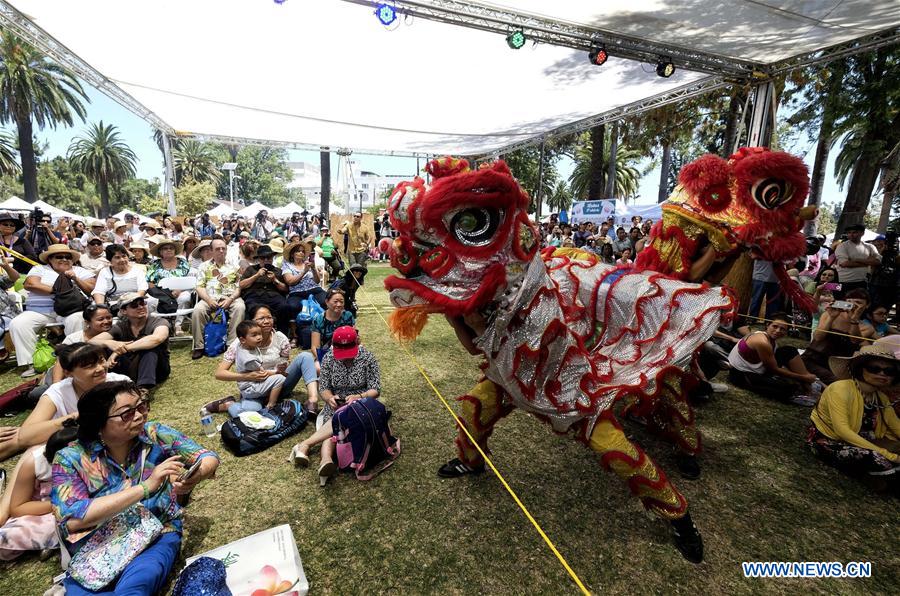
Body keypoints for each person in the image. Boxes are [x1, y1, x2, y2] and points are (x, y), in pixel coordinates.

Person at [52, 380, 219, 595]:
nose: (139, 416)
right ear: (98, 422)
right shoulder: (70, 459)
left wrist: (194, 477)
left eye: (141, 407)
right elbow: (72, 519)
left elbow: (207, 457)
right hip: (96, 547)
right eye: (127, 413)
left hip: (156, 535)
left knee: (135, 587)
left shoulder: (154, 434)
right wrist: (146, 487)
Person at [289, 326, 380, 485]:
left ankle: (306, 446)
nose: (345, 358)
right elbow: (323, 388)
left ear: (357, 342)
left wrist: (359, 396)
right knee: (337, 419)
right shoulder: (329, 358)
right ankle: (325, 461)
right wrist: (330, 398)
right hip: (337, 404)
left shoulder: (368, 358)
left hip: (362, 404)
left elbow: (375, 389)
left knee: (338, 420)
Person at [807, 345, 900, 485]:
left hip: (869, 443)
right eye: (874, 368)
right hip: (832, 443)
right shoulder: (840, 389)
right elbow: (843, 431)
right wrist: (887, 454)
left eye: (889, 371)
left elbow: (896, 426)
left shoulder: (881, 397)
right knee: (875, 458)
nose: (882, 374)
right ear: (860, 368)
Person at [9, 244, 96, 377]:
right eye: (59, 256)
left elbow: (91, 289)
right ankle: (33, 363)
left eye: (68, 257)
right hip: (39, 311)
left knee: (77, 319)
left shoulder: (80, 271)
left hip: (70, 310)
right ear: (50, 259)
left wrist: (75, 279)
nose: (64, 259)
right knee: (18, 323)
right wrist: (60, 289)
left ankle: (76, 359)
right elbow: (30, 284)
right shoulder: (39, 269)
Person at [212, 305, 320, 412]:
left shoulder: (280, 338)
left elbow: (285, 362)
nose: (267, 321)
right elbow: (220, 373)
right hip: (256, 389)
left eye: (269, 317)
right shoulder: (240, 343)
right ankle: (228, 404)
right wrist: (246, 376)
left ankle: (312, 401)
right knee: (251, 411)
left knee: (305, 356)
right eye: (261, 318)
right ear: (252, 322)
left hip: (278, 384)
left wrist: (282, 367)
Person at [0, 425, 78, 560]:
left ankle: (56, 542)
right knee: (10, 534)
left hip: (80, 508)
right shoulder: (35, 463)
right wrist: (60, 504)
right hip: (44, 511)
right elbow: (18, 508)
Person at [727, 313, 818, 404]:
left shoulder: (771, 341)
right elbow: (774, 369)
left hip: (757, 370)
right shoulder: (762, 342)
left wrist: (804, 377)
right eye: (775, 326)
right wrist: (803, 377)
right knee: (786, 389)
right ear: (767, 325)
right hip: (741, 374)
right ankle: (806, 384)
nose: (778, 330)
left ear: (786, 332)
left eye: (782, 329)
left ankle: (808, 387)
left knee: (789, 351)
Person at [91, 293, 171, 390]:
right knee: (107, 346)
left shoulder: (159, 322)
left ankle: (143, 389)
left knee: (150, 348)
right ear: (124, 311)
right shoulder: (121, 326)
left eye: (142, 303)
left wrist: (119, 350)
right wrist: (109, 343)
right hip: (132, 368)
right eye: (134, 305)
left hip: (157, 369)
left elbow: (157, 339)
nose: (141, 307)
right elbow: (92, 341)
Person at [210, 320, 286, 417]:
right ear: (242, 339)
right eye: (254, 335)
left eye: (259, 334)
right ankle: (271, 405)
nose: (259, 337)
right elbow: (261, 374)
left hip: (251, 385)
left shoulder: (245, 345)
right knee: (280, 378)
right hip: (251, 388)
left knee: (255, 410)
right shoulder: (249, 359)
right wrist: (276, 372)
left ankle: (260, 402)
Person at [801, 288, 869, 385]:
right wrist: (831, 318)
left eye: (858, 302)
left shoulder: (865, 327)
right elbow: (818, 337)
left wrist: (854, 320)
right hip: (813, 359)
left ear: (867, 305)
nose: (853, 305)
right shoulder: (829, 315)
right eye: (849, 301)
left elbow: (855, 340)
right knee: (837, 383)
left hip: (836, 367)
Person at [191, 239, 244, 360]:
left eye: (223, 248)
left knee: (240, 307)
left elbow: (239, 287)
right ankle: (199, 346)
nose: (221, 251)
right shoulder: (204, 266)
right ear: (211, 251)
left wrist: (230, 299)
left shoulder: (235, 266)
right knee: (198, 310)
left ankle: (232, 344)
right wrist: (209, 300)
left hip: (230, 297)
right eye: (217, 249)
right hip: (209, 297)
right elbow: (199, 287)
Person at [239, 244, 291, 335]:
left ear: (272, 258)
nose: (266, 260)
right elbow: (242, 285)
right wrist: (256, 275)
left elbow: (286, 289)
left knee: (284, 307)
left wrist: (275, 280)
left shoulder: (278, 271)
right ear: (258, 259)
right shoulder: (251, 269)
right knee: (252, 308)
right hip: (254, 296)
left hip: (274, 297)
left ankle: (282, 335)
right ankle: (251, 335)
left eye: (269, 257)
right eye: (263, 258)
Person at [282, 241, 326, 342]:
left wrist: (313, 269)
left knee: (326, 300)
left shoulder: (307, 264)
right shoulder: (287, 266)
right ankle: (295, 335)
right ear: (293, 254)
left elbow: (317, 281)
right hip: (297, 292)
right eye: (298, 251)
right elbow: (290, 282)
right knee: (292, 306)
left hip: (314, 289)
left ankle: (325, 329)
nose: (301, 253)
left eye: (302, 251)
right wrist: (303, 272)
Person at [146, 239, 192, 332]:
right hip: (161, 294)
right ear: (160, 252)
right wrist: (162, 293)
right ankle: (157, 325)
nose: (169, 250)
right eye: (165, 248)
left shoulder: (183, 263)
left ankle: (178, 325)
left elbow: (190, 280)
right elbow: (149, 282)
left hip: (180, 291)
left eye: (171, 248)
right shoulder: (155, 265)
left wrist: (180, 290)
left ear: (175, 251)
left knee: (185, 298)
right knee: (150, 301)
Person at [311, 288, 355, 366]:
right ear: (327, 302)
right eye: (335, 302)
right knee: (317, 368)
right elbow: (315, 347)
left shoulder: (348, 316)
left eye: (341, 302)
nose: (339, 304)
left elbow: (355, 339)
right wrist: (326, 360)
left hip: (346, 352)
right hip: (326, 354)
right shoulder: (318, 319)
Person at [834, 223, 880, 293]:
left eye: (855, 232)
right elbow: (844, 263)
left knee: (860, 302)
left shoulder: (870, 246)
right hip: (845, 281)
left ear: (862, 233)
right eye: (849, 232)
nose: (851, 235)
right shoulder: (842, 246)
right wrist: (868, 263)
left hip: (863, 281)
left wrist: (857, 260)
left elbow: (877, 261)